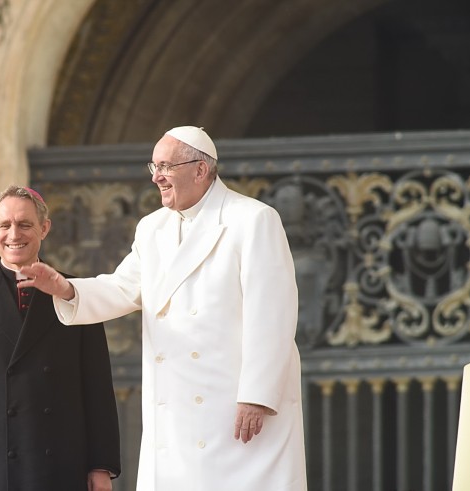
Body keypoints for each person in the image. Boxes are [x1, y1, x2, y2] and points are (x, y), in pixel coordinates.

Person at [20, 126, 308, 491]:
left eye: (165, 166)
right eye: (153, 166)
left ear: (200, 170)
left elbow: (273, 315)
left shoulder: (252, 220)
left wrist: (256, 396)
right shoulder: (151, 228)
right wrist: (64, 287)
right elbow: (123, 287)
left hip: (235, 409)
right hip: (176, 412)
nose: (156, 176)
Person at [0, 185, 121, 491]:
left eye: (25, 224)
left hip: (62, 464)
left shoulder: (76, 293)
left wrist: (101, 465)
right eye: (4, 225)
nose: (13, 234)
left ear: (44, 228)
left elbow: (97, 385)